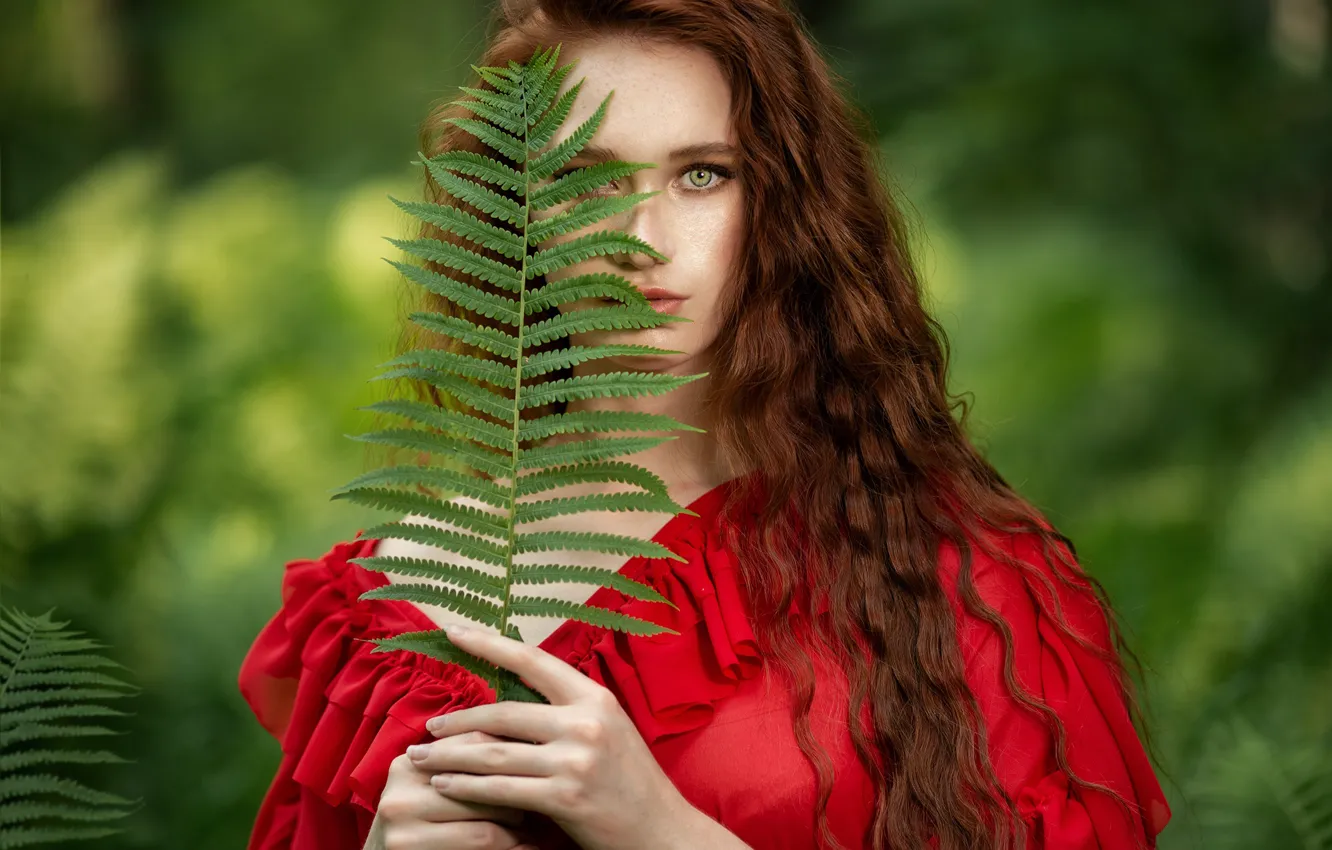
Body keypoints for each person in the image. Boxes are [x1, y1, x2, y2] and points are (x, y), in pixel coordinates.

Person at [237, 0, 1174, 848]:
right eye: (585, 180)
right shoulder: (374, 622)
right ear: (513, 213)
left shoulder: (948, 576)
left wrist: (658, 832)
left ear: (782, 203)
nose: (641, 244)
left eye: (702, 175)